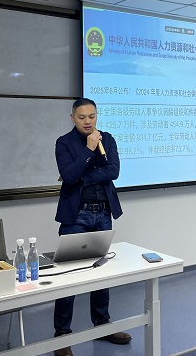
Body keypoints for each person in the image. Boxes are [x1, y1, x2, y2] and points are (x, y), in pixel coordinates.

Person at [53, 98, 131, 356]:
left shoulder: (107, 139)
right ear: (72, 118)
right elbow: (69, 175)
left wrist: (81, 177)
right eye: (82, 117)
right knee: (68, 274)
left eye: (92, 116)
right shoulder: (64, 143)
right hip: (76, 215)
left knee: (100, 272)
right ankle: (62, 336)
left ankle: (102, 325)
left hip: (102, 213)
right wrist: (88, 150)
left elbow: (113, 171)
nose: (88, 122)